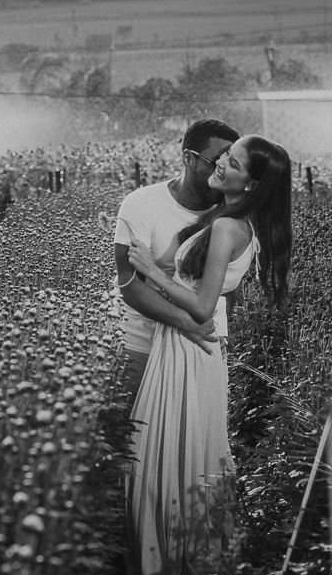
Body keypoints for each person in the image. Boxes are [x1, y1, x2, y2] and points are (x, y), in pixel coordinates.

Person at [125, 134, 293, 574]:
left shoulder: (225, 227)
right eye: (224, 157)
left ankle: (167, 560)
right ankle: (190, 555)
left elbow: (201, 306)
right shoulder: (238, 223)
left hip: (188, 346)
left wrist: (150, 273)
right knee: (187, 455)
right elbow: (215, 303)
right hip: (194, 347)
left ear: (251, 184)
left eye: (233, 164)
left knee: (165, 460)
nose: (221, 164)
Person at [113, 119, 241, 417]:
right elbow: (130, 284)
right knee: (130, 443)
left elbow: (227, 290)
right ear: (188, 159)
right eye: (215, 161)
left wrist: (213, 334)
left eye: (230, 162)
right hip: (139, 346)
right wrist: (187, 322)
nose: (222, 170)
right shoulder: (142, 204)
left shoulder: (230, 218)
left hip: (195, 351)